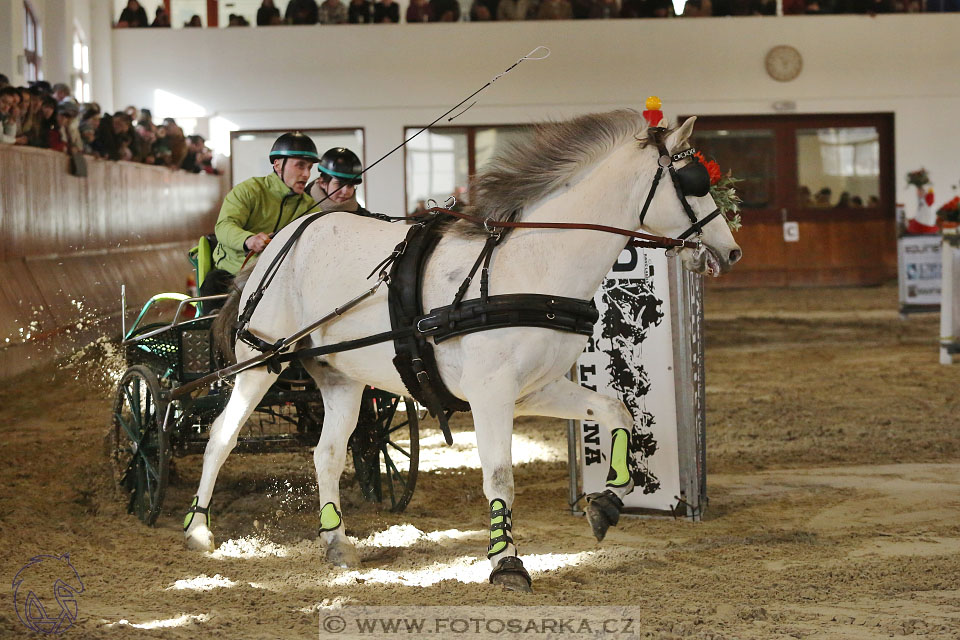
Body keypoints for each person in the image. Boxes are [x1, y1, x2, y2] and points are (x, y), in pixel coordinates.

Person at [204, 133, 319, 295]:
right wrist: (249, 240)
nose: (306, 174)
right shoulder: (248, 190)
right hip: (232, 273)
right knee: (212, 282)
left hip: (278, 277)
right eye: (300, 166)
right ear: (278, 165)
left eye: (309, 168)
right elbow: (224, 226)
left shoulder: (310, 206)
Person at [307, 147, 379, 218]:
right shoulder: (301, 208)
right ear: (322, 183)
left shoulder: (364, 218)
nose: (345, 191)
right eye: (339, 184)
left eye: (350, 185)